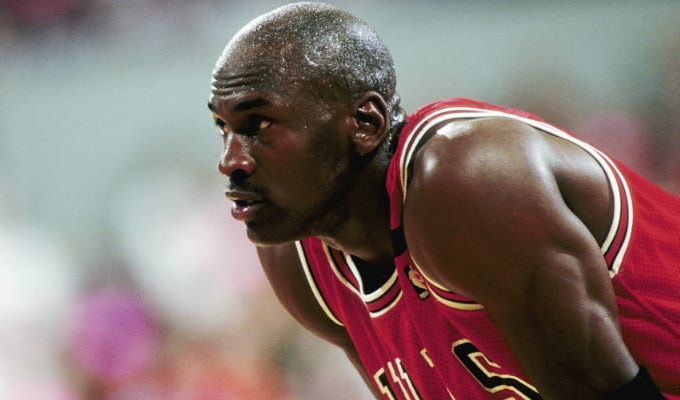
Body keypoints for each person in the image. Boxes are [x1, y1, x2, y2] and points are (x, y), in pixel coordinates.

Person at [207, 3, 680, 399]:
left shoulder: (465, 182)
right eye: (223, 128)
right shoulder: (297, 260)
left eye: (259, 124)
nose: (230, 160)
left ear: (365, 125)